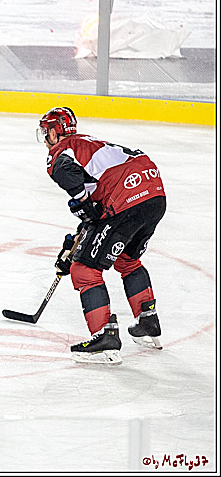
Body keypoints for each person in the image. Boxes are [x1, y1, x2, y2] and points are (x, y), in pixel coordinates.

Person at [40, 107, 166, 365]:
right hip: (153, 193)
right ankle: (147, 321)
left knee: (84, 270)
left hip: (127, 200)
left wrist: (82, 207)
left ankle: (104, 338)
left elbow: (68, 177)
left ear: (54, 132)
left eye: (46, 133)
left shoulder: (61, 152)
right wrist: (79, 237)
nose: (44, 139)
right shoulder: (88, 145)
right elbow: (96, 211)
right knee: (126, 261)